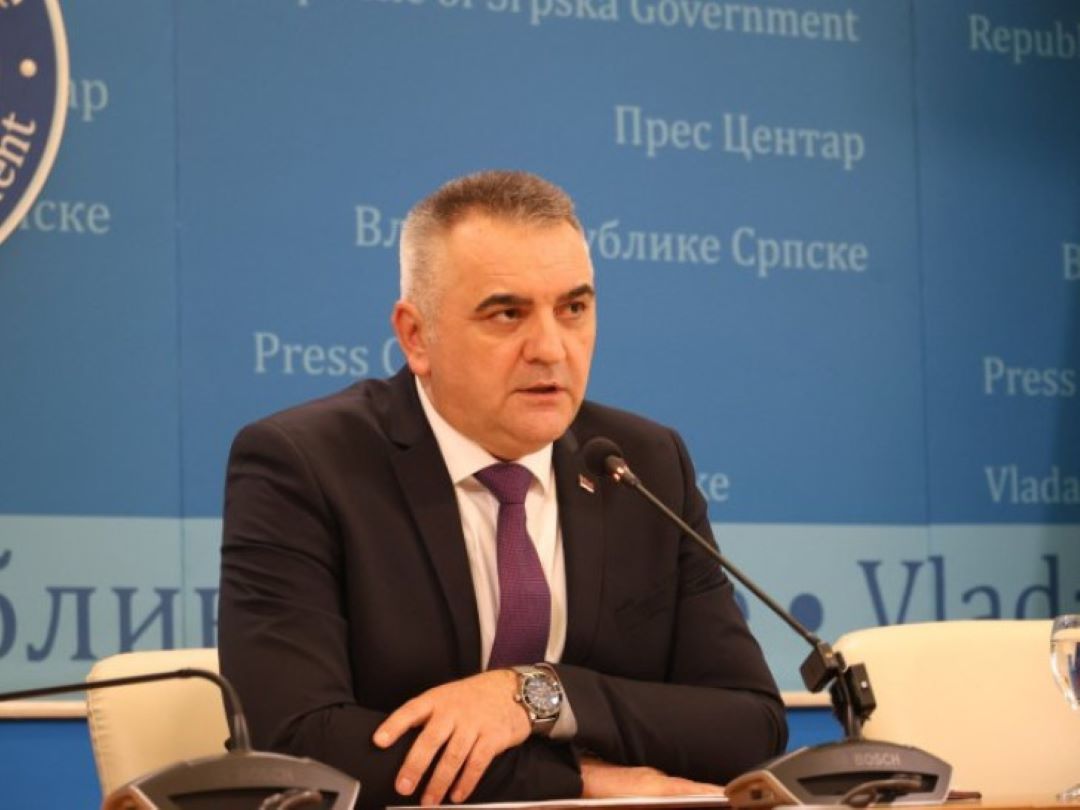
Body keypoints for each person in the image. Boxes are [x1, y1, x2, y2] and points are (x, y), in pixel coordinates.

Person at [219, 170, 787, 809]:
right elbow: (298, 744)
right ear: (416, 336)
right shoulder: (304, 465)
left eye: (574, 309)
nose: (550, 348)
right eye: (507, 314)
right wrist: (575, 782)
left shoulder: (643, 464)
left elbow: (749, 723)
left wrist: (538, 694)